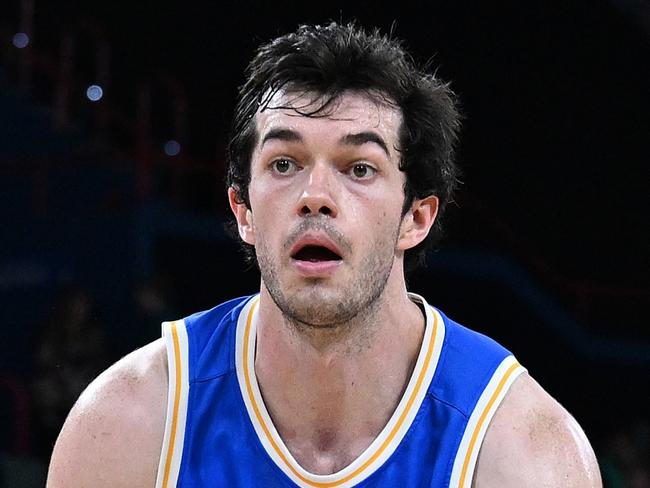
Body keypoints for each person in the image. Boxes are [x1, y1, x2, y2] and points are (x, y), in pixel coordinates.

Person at [47, 23, 602, 487]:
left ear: (416, 217)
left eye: (359, 168)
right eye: (284, 164)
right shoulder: (127, 427)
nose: (315, 196)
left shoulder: (518, 452)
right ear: (242, 210)